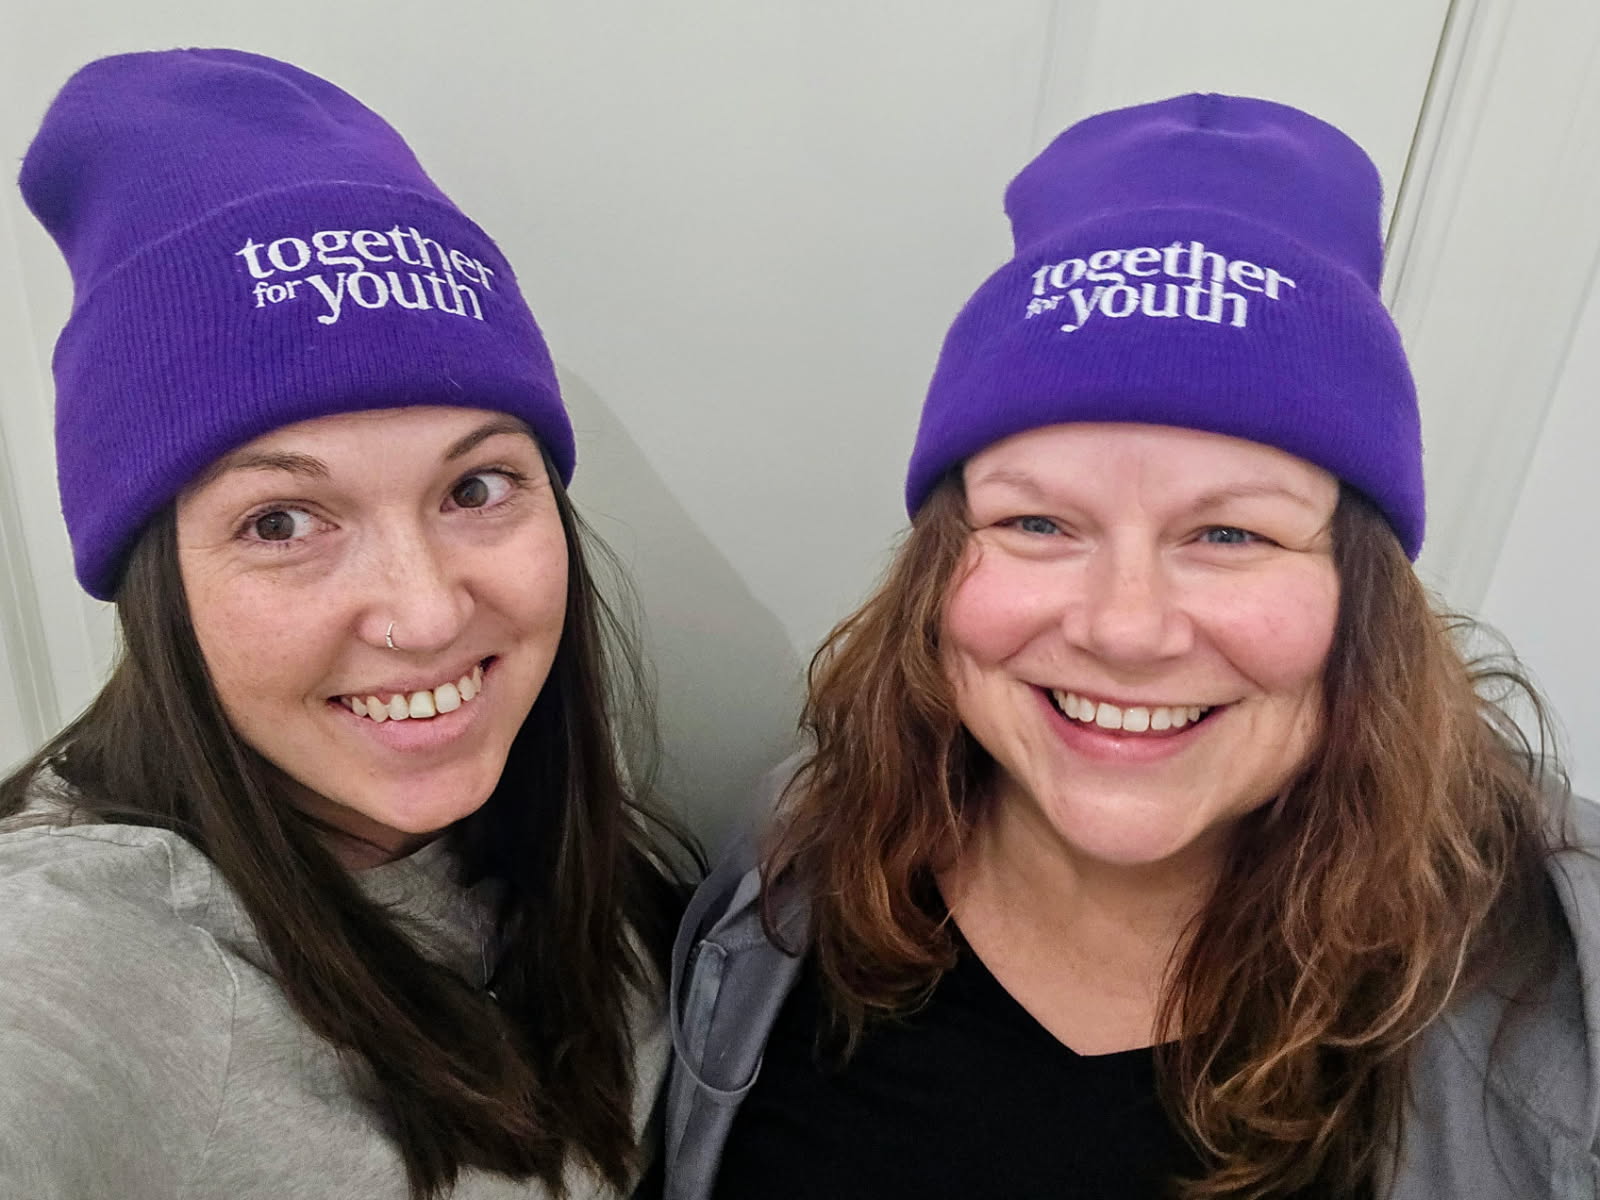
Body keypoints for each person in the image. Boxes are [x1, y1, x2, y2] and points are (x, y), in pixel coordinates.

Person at [663, 94, 1600, 1199]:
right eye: (1037, 523)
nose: (1124, 627)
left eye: (1228, 532)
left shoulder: (1559, 980)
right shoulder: (797, 861)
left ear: (1362, 594)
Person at [0, 49, 695, 1200]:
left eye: (475, 488)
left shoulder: (598, 879)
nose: (425, 614)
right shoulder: (81, 957)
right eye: (282, 520)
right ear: (156, 579)